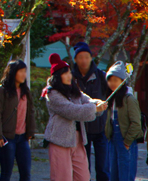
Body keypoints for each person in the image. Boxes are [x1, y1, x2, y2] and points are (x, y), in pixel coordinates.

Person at [43, 53, 108, 181]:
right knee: (62, 177)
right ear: (57, 76)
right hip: (59, 140)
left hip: (77, 140)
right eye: (65, 73)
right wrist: (94, 108)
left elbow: (87, 100)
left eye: (69, 73)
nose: (69, 76)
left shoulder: (73, 89)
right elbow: (72, 110)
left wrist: (97, 103)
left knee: (83, 177)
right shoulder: (52, 94)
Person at [0, 60, 36, 181]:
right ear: (13, 73)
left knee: (26, 173)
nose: (23, 74)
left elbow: (31, 112)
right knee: (6, 173)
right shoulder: (2, 90)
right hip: (6, 138)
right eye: (20, 71)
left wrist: (30, 132)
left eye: (25, 71)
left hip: (23, 138)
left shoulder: (25, 91)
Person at [71, 41, 110, 181]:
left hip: (100, 128)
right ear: (75, 59)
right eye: (80, 57)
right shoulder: (71, 77)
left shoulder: (101, 76)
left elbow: (112, 90)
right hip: (81, 130)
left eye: (87, 57)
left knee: (103, 168)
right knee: (82, 169)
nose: (84, 60)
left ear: (91, 58)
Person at [104, 61, 142, 181]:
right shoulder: (111, 99)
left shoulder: (129, 99)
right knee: (113, 176)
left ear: (123, 81)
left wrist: (127, 142)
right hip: (113, 142)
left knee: (125, 176)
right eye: (110, 80)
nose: (112, 83)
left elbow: (136, 123)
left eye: (116, 80)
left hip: (126, 141)